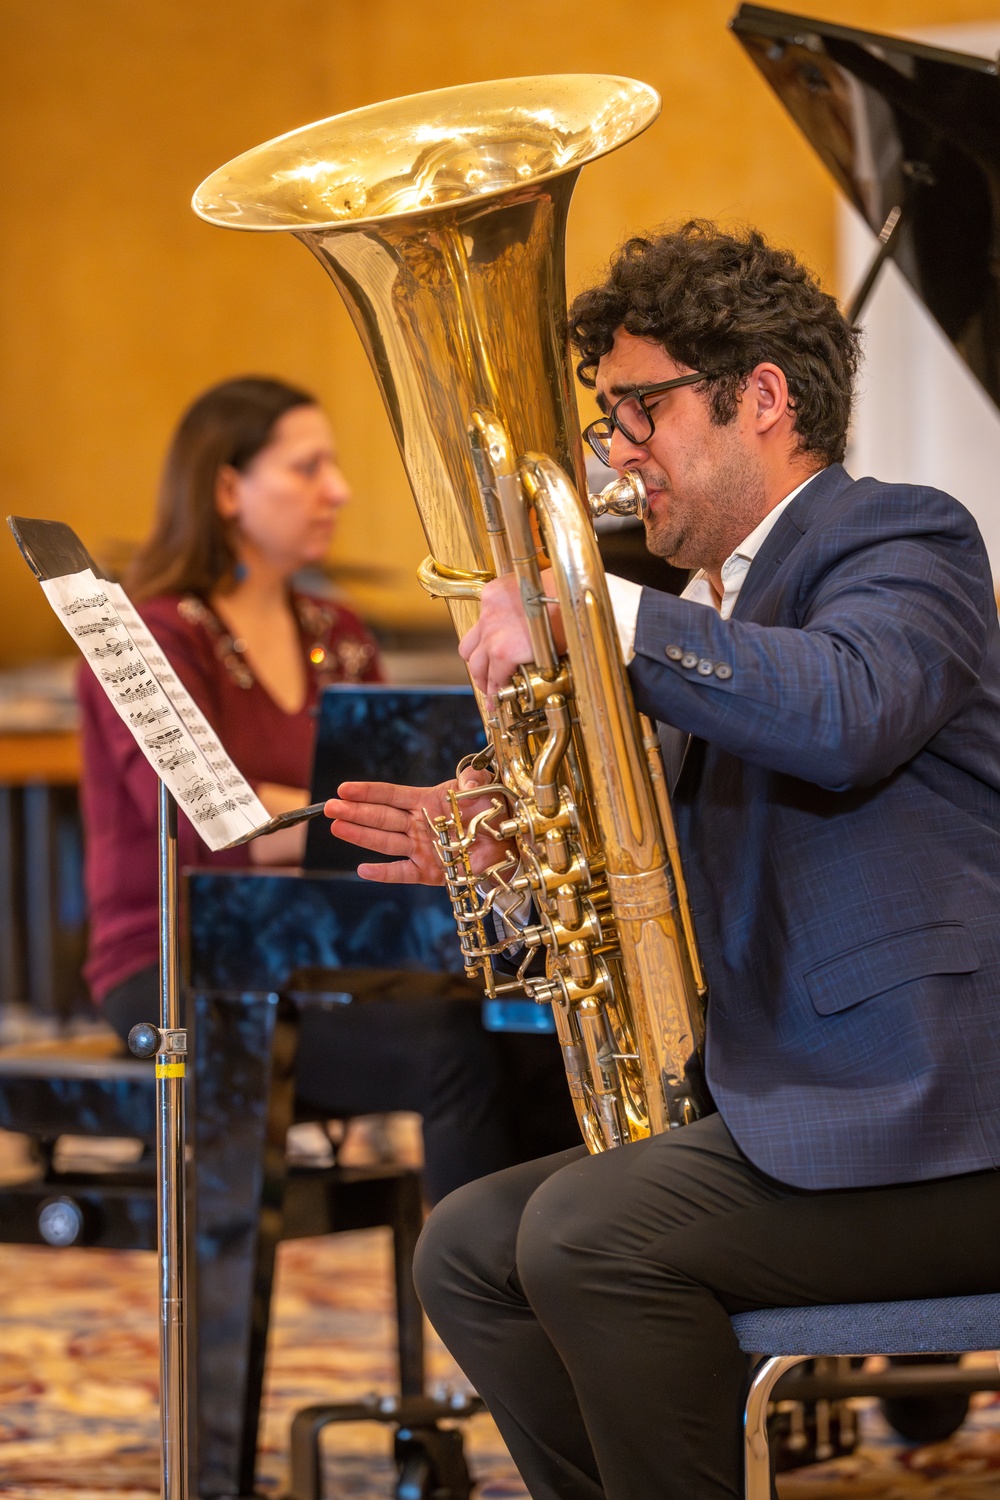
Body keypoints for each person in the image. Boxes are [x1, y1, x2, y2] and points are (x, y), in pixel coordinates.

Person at [324, 223, 1000, 1498]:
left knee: (588, 1235)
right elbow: (678, 883)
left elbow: (845, 713)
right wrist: (516, 861)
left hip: (946, 1126)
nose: (615, 452)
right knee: (468, 1243)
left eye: (640, 408)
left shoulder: (903, 541)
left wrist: (591, 602)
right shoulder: (702, 613)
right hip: (807, 1110)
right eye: (608, 417)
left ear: (762, 399)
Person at [78, 374, 535, 1204]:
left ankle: (563, 1289)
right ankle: (488, 1305)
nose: (339, 490)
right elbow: (194, 814)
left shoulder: (343, 635)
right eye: (306, 467)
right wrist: (374, 818)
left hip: (322, 953)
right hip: (177, 965)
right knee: (450, 1050)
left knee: (532, 1029)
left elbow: (388, 788)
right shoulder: (151, 636)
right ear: (227, 487)